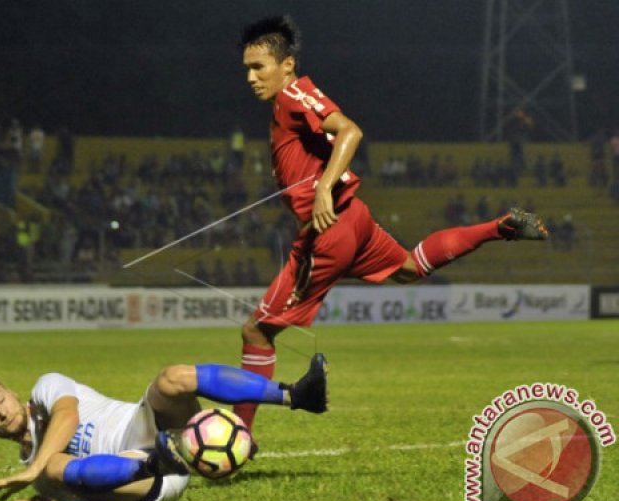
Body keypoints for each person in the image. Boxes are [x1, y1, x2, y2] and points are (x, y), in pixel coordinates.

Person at [234, 16, 549, 432]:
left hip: (329, 231)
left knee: (256, 332)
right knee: (408, 268)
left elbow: (351, 131)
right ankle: (498, 227)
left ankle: (239, 436)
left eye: (259, 67)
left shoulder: (294, 95)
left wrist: (325, 186)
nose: (252, 77)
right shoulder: (288, 101)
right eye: (247, 70)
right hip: (354, 219)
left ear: (287, 64)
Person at [0, 354, 327, 501]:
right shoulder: (41, 476)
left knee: (171, 378)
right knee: (53, 470)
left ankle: (297, 394)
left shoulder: (46, 388)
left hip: (144, 424)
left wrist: (35, 471)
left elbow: (67, 415)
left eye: (0, 397)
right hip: (150, 477)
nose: (2, 410)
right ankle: (159, 460)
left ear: (11, 391)